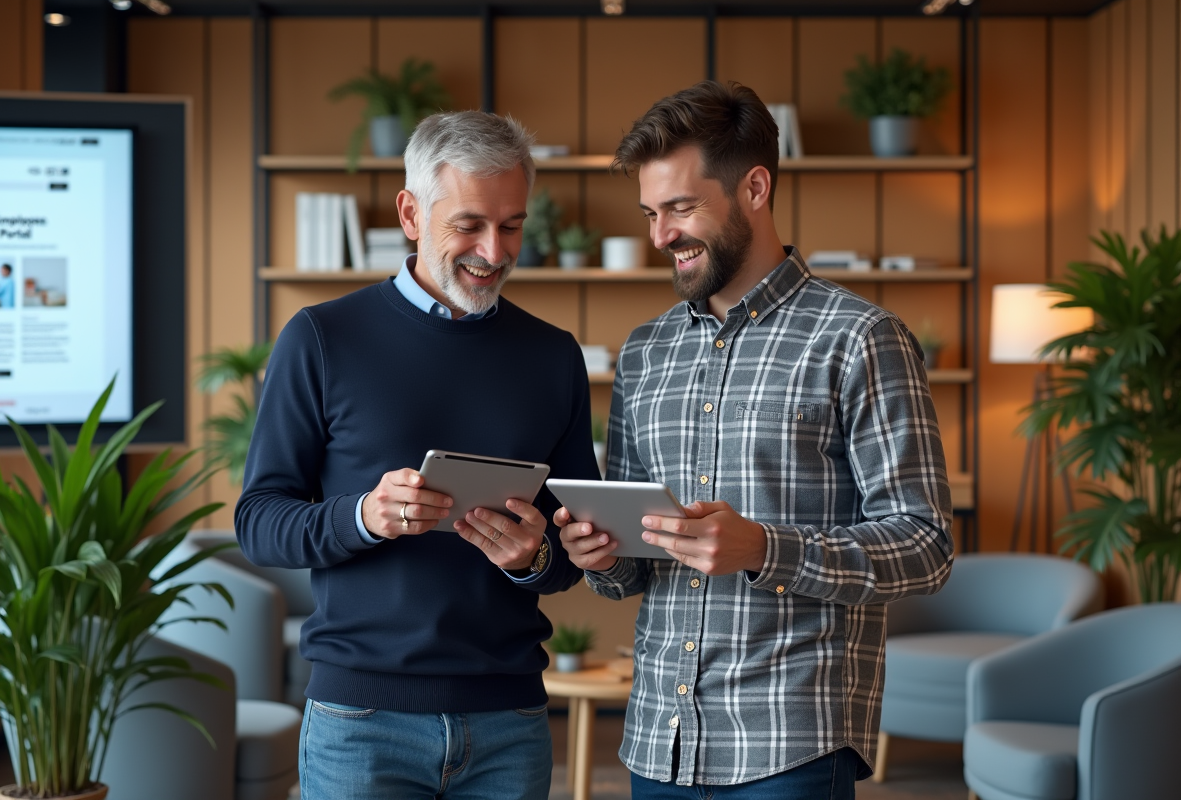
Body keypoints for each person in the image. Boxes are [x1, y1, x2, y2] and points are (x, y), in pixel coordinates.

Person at [555, 81, 954, 799]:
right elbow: (633, 569)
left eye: (681, 208)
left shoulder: (860, 339)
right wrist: (603, 555)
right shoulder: (646, 351)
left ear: (756, 188)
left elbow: (926, 545)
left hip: (791, 741)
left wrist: (765, 548)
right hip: (659, 740)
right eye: (650, 212)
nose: (660, 236)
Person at [235, 111, 600, 800]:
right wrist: (364, 516)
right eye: (469, 224)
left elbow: (569, 553)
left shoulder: (553, 356)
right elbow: (260, 522)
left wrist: (535, 558)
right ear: (410, 211)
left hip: (509, 721)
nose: (494, 249)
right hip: (360, 723)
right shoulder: (319, 338)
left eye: (512, 224)